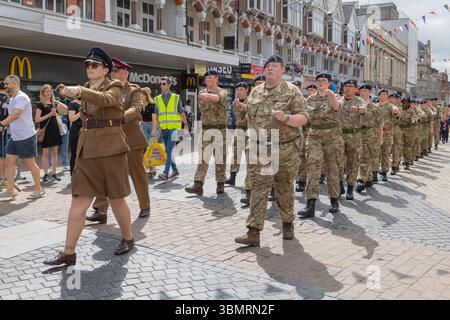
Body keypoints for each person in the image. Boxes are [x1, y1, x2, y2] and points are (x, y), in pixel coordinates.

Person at [43, 47, 134, 266]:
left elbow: (106, 99)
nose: (90, 68)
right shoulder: (84, 88)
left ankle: (128, 238)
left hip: (111, 149)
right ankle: (69, 251)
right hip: (87, 150)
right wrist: (64, 108)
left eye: (94, 65)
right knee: (78, 201)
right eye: (87, 65)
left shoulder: (114, 85)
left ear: (105, 69)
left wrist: (79, 93)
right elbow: (80, 115)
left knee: (116, 197)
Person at [235, 54, 309, 246]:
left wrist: (286, 118)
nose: (270, 69)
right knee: (259, 188)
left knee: (284, 188)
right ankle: (253, 231)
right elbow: (251, 118)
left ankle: (287, 222)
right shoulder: (256, 92)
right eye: (268, 66)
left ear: (282, 69)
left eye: (275, 66)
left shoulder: (292, 91)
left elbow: (304, 117)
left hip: (285, 149)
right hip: (261, 149)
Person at [88, 58, 151, 224]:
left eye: (117, 71)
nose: (114, 73)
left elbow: (136, 109)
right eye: (113, 70)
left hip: (131, 140)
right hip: (110, 139)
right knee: (105, 174)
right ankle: (101, 210)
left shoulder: (134, 90)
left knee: (137, 174)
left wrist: (120, 118)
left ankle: (145, 206)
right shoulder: (106, 89)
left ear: (126, 73)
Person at [298, 73, 342, 219]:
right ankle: (310, 204)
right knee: (313, 167)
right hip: (315, 135)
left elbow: (336, 108)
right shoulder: (310, 98)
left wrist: (331, 95)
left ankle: (334, 200)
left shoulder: (335, 96)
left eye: (324, 80)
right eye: (319, 80)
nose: (321, 82)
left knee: (332, 169)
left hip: (332, 138)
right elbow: (306, 115)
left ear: (329, 83)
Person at [0, 75, 45, 201]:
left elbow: (15, 115)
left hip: (26, 136)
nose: (5, 86)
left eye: (7, 83)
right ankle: (10, 190)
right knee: (9, 161)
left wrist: (2, 124)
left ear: (15, 84)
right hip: (15, 136)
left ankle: (38, 189)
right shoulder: (12, 98)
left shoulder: (22, 97)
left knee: (30, 163)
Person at [185, 70, 228, 196]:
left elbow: (218, 98)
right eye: (206, 78)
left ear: (216, 79)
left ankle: (220, 183)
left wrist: (209, 96)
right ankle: (198, 184)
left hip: (220, 130)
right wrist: (207, 95)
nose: (208, 80)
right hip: (206, 129)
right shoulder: (201, 92)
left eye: (210, 77)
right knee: (203, 156)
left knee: (220, 157)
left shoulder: (223, 92)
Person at [154, 76, 188, 181]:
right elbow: (157, 114)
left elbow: (181, 112)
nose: (162, 86)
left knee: (168, 149)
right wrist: (158, 126)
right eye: (161, 84)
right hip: (164, 129)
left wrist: (185, 124)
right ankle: (175, 170)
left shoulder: (176, 97)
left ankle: (165, 172)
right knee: (168, 151)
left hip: (174, 128)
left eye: (164, 84)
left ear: (169, 85)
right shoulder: (157, 99)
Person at [338, 79, 366, 200]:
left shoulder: (359, 101)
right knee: (338, 161)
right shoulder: (338, 100)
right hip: (339, 136)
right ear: (343, 88)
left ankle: (350, 188)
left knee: (353, 163)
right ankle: (339, 184)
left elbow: (364, 109)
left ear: (355, 89)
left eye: (351, 86)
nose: (348, 88)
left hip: (354, 137)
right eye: (346, 86)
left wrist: (359, 110)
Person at [35, 84, 68, 182]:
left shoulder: (54, 103)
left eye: (50, 91)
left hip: (55, 130)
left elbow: (66, 108)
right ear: (43, 93)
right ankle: (45, 174)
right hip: (46, 131)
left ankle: (54, 173)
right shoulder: (40, 104)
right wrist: (49, 114)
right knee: (45, 154)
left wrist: (57, 102)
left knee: (55, 154)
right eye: (46, 91)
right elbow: (37, 119)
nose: (49, 93)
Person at [356, 83, 383, 193]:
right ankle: (368, 178)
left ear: (369, 92)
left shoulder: (375, 108)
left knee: (365, 157)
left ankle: (361, 179)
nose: (362, 93)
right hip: (355, 133)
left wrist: (380, 137)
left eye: (365, 91)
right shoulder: (354, 105)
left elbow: (380, 123)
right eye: (361, 91)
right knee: (357, 157)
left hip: (370, 134)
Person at [226, 82, 249, 187]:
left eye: (241, 90)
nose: (239, 92)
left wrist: (241, 105)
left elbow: (251, 112)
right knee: (235, 154)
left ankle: (250, 180)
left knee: (249, 156)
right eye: (238, 90)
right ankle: (232, 177)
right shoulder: (234, 103)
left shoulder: (251, 101)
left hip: (249, 131)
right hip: (238, 129)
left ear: (246, 90)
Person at [296, 84, 318, 192]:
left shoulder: (320, 102)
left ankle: (315, 179)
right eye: (308, 89)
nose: (310, 91)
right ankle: (302, 180)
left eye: (312, 89)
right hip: (304, 133)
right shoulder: (303, 102)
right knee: (302, 157)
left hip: (316, 134)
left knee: (313, 159)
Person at [378, 89, 400, 181]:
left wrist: (396, 111)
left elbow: (396, 111)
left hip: (386, 133)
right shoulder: (375, 106)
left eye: (385, 94)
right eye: (381, 94)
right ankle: (374, 171)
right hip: (375, 133)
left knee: (385, 153)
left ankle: (384, 172)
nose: (383, 96)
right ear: (379, 96)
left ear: (387, 96)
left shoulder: (391, 106)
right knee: (374, 154)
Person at [140, 88, 158, 176]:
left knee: (152, 148)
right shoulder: (139, 105)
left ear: (146, 96)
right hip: (143, 126)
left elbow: (154, 119)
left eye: (142, 96)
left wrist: (154, 130)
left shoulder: (152, 105)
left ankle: (153, 168)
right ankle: (147, 166)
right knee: (145, 148)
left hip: (152, 126)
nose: (141, 97)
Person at [398, 97, 418, 170]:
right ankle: (397, 163)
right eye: (403, 103)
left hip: (409, 131)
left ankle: (407, 162)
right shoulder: (399, 109)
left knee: (407, 147)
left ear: (409, 104)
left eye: (406, 103)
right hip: (399, 130)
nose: (404, 104)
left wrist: (413, 120)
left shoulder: (412, 111)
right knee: (399, 147)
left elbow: (414, 118)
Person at [56, 83, 71, 171]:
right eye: (60, 90)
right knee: (54, 148)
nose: (62, 92)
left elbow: (70, 112)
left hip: (67, 126)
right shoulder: (55, 100)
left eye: (63, 90)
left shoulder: (69, 101)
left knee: (65, 147)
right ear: (58, 91)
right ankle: (51, 165)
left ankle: (65, 163)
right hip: (57, 127)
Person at [67, 96, 82, 176]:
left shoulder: (87, 103)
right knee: (74, 153)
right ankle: (72, 174)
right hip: (75, 131)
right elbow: (71, 119)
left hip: (85, 131)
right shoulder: (73, 104)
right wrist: (81, 112)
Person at [389, 93, 403, 175]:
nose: (392, 100)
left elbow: (398, 116)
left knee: (395, 148)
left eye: (394, 98)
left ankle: (394, 165)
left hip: (396, 130)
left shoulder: (398, 108)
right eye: (390, 98)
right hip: (385, 130)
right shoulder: (385, 107)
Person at [0, 81, 9, 184]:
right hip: (4, 129)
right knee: (4, 154)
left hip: (3, 128)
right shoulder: (7, 99)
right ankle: (3, 177)